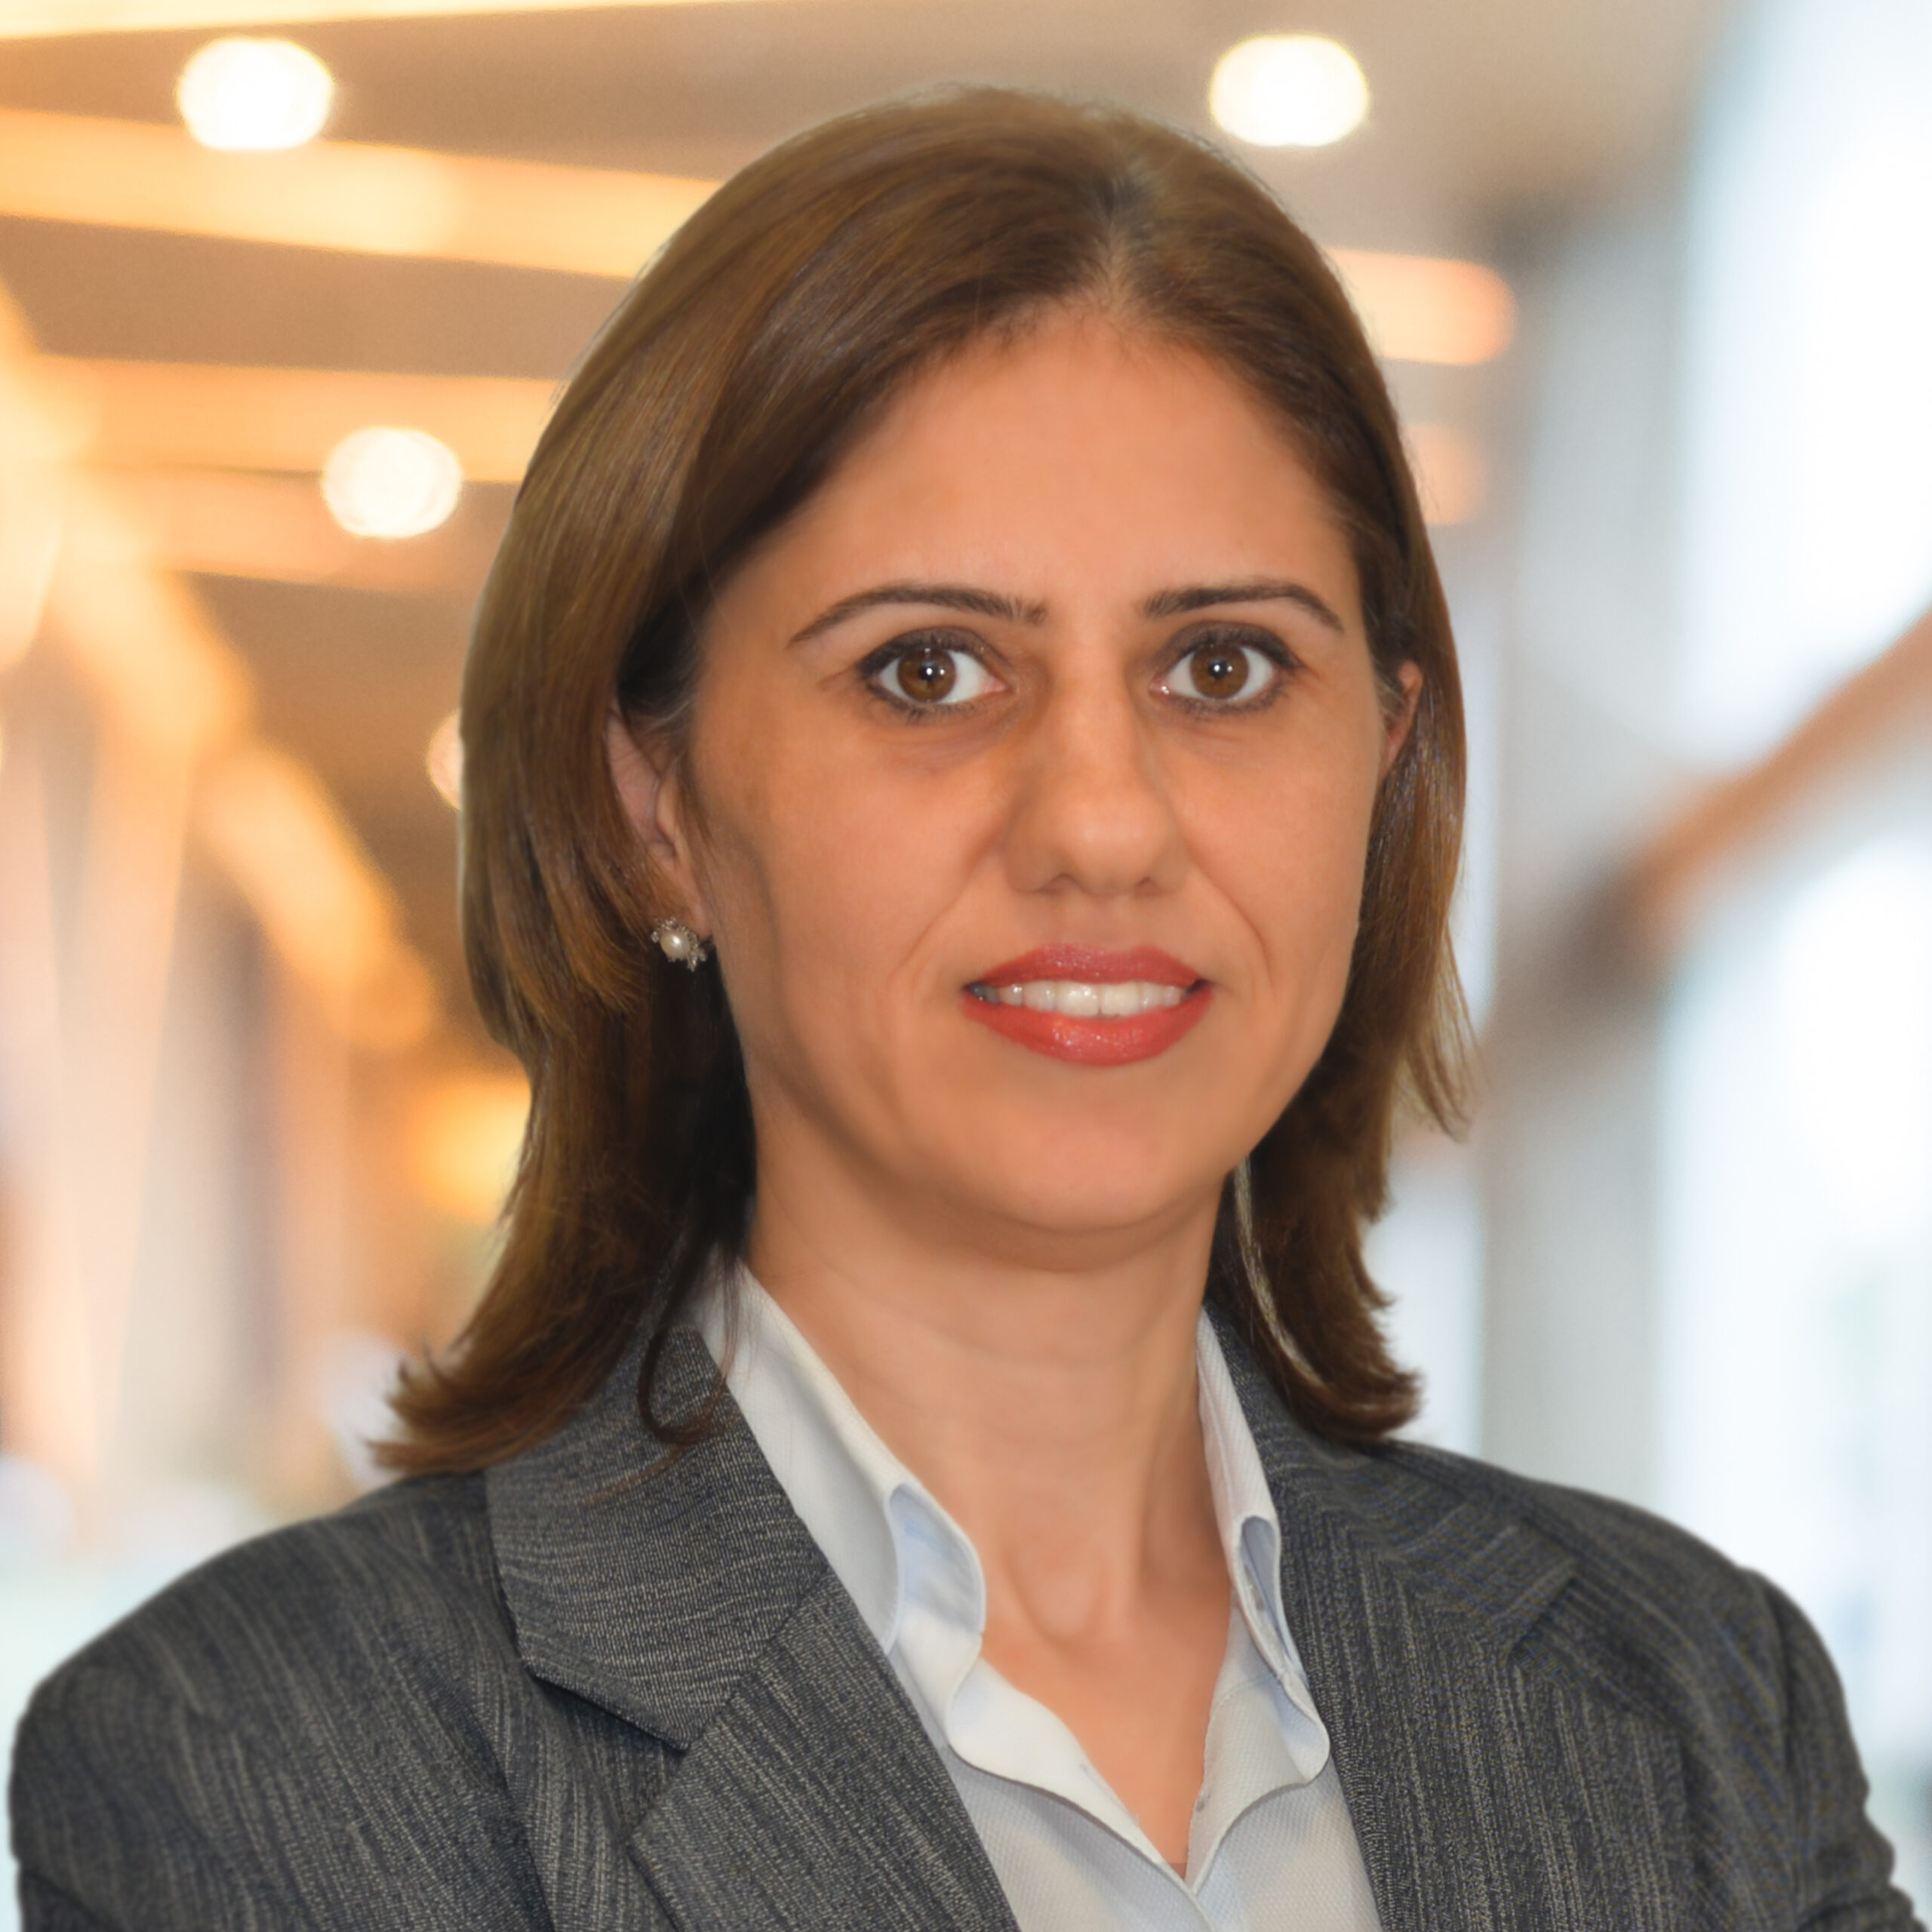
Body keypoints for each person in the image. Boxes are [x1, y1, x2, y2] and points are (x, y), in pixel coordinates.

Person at [10, 88, 1919, 1932]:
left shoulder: (1694, 1701)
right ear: (655, 805)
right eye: (927, 670)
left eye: (1223, 666)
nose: (1101, 824)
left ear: (1385, 761)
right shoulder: (263, 1754)